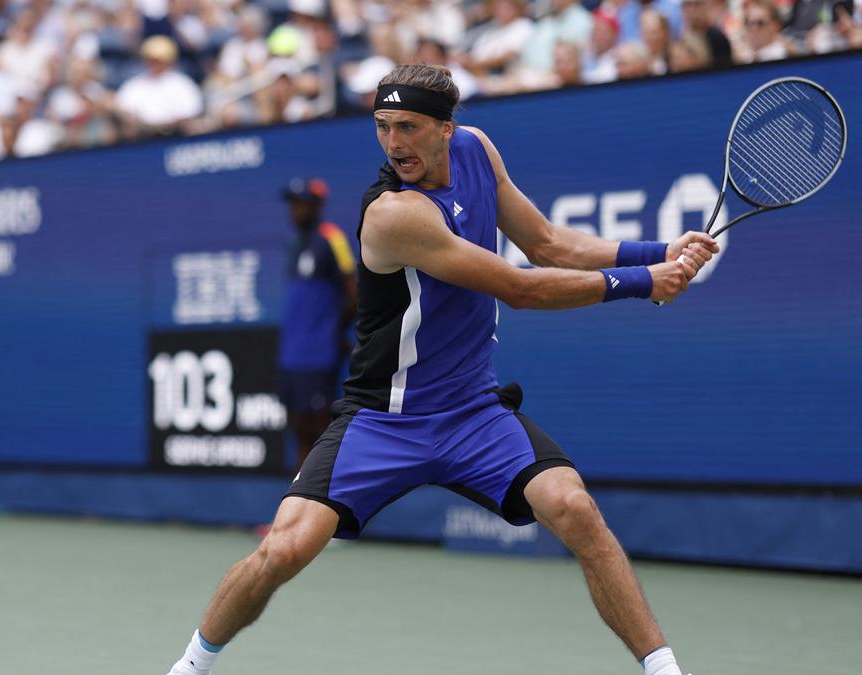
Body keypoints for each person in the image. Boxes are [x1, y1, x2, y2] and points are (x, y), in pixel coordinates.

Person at [164, 63, 717, 675]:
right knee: (282, 551)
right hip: (384, 420)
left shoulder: (477, 150)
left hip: (473, 414)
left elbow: (546, 243)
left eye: (408, 126)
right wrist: (642, 282)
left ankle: (664, 670)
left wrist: (657, 252)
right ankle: (189, 667)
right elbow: (519, 287)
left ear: (446, 128)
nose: (393, 142)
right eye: (382, 126)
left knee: (576, 509)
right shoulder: (393, 214)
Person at [277, 177, 357, 469]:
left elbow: (354, 292)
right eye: (292, 204)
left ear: (316, 206)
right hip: (292, 355)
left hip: (319, 354)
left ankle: (326, 494)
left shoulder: (331, 238)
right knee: (298, 428)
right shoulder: (295, 244)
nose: (295, 210)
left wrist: (333, 331)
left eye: (301, 204)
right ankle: (298, 495)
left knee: (322, 429)